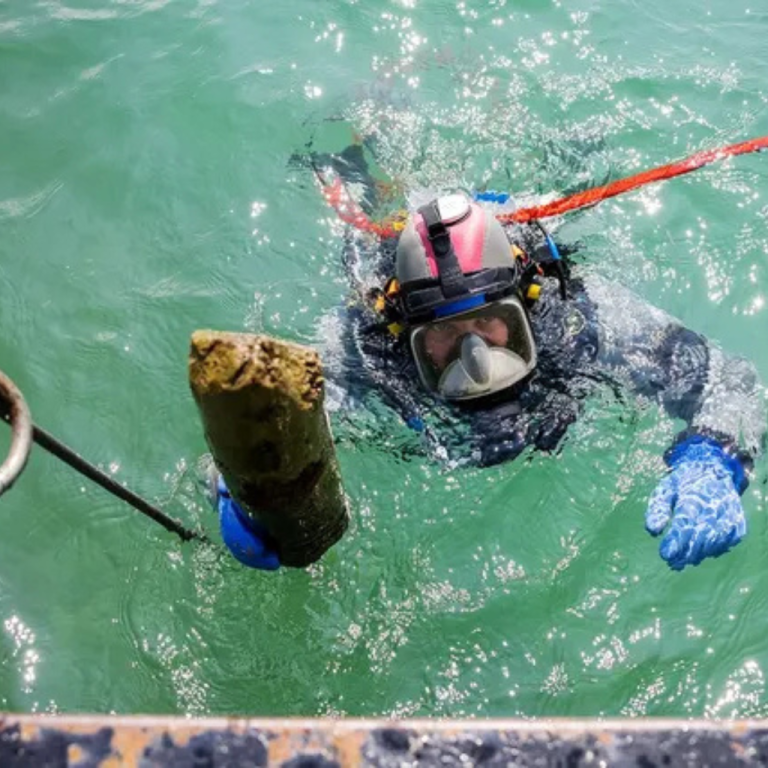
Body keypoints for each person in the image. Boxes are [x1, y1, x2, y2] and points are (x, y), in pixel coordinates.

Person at [213, 143, 766, 573]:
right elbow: (278, 416)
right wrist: (244, 493)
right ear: (406, 333)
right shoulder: (366, 346)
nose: (475, 354)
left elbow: (730, 383)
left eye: (489, 323)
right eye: (446, 337)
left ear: (526, 303)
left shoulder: (580, 314)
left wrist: (713, 457)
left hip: (513, 223)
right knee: (383, 195)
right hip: (393, 254)